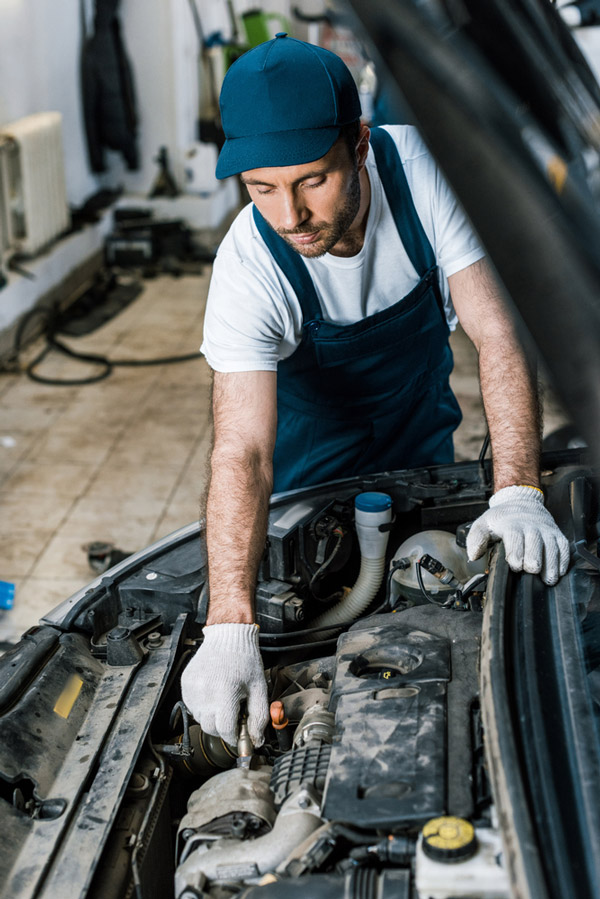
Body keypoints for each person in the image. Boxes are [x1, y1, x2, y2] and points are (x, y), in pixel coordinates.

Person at [181, 34, 569, 748]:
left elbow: (500, 335)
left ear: (358, 144)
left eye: (310, 180)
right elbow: (243, 452)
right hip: (307, 480)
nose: (289, 215)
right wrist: (229, 622)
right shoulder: (248, 266)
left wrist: (517, 490)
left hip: (423, 443)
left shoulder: (427, 174)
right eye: (261, 188)